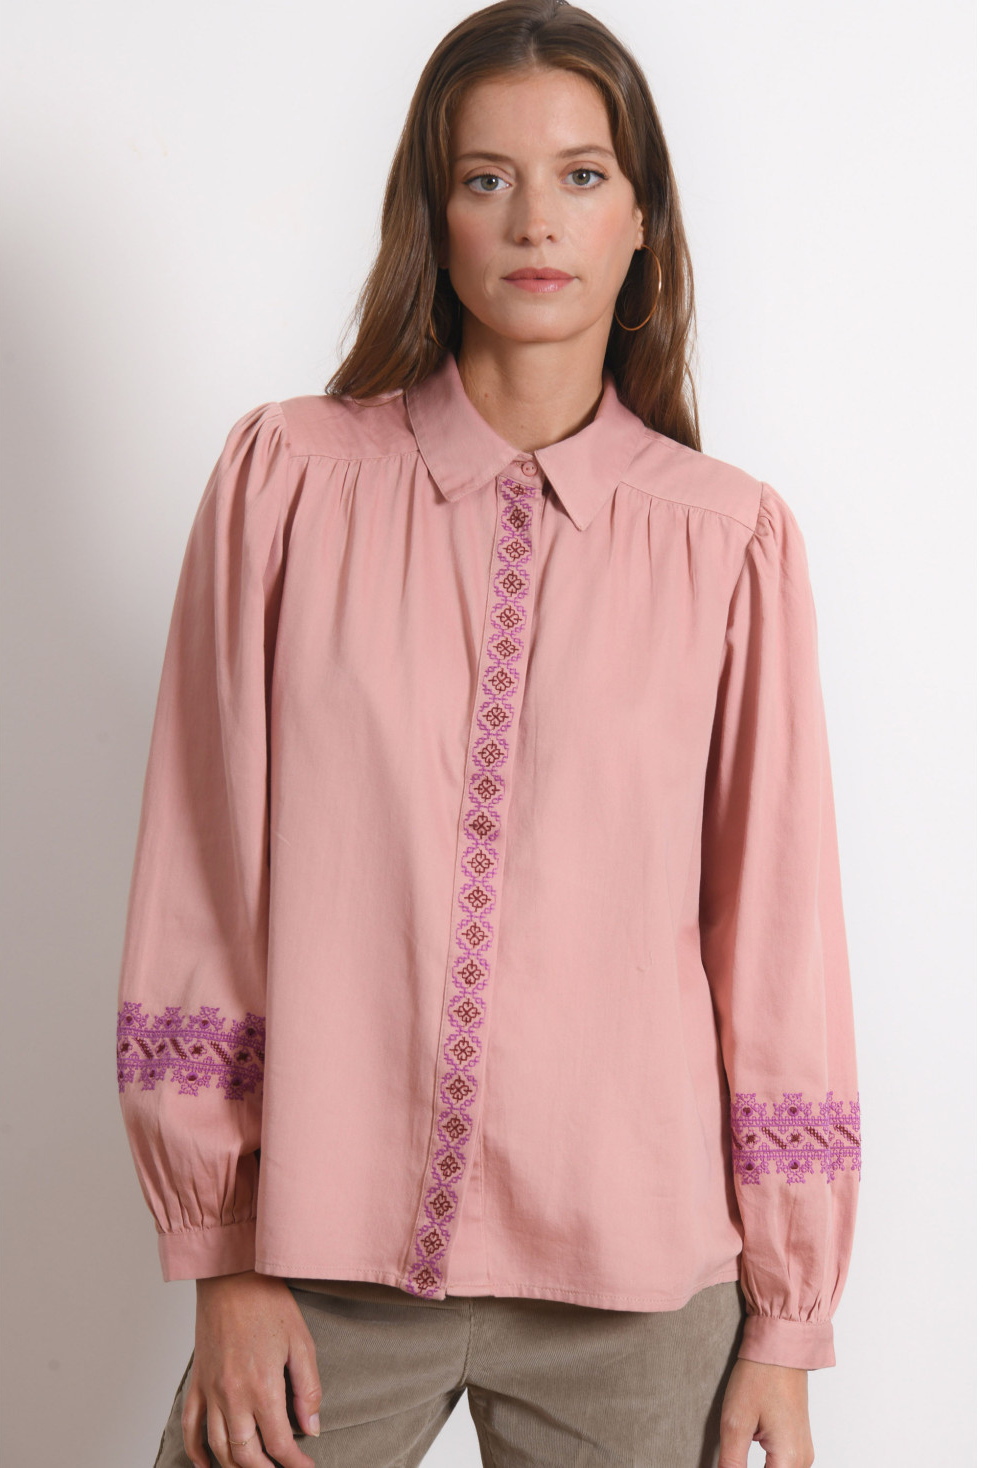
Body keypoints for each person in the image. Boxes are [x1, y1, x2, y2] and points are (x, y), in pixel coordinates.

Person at [115, 2, 863, 1465]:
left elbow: (776, 940)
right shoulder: (288, 484)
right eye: (486, 178)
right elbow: (204, 873)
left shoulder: (730, 545)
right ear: (434, 214)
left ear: (643, 220)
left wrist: (786, 1322)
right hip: (318, 1271)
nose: (536, 221)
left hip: (641, 1296)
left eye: (582, 175)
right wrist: (224, 1255)